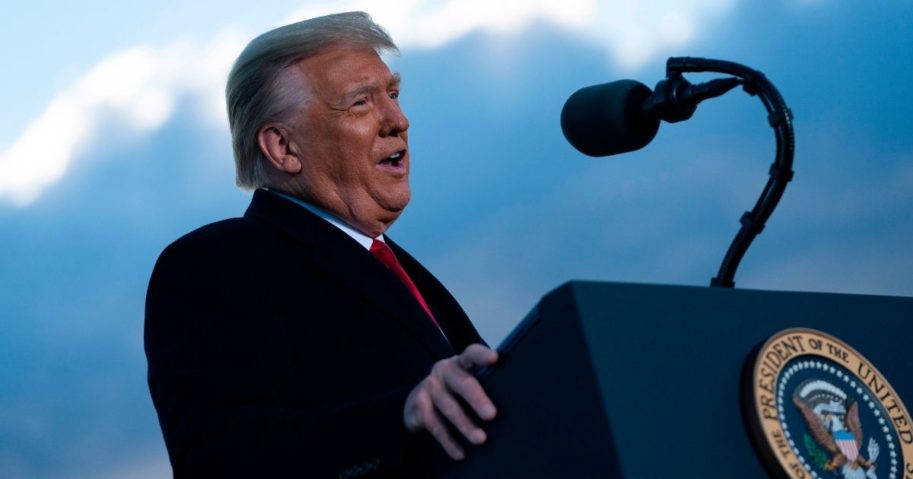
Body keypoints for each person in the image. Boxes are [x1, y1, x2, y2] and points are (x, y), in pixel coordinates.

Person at [144, 11, 498, 478]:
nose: (399, 120)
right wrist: (400, 417)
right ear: (283, 149)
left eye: (393, 94)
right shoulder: (214, 265)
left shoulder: (396, 266)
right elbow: (220, 458)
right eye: (360, 104)